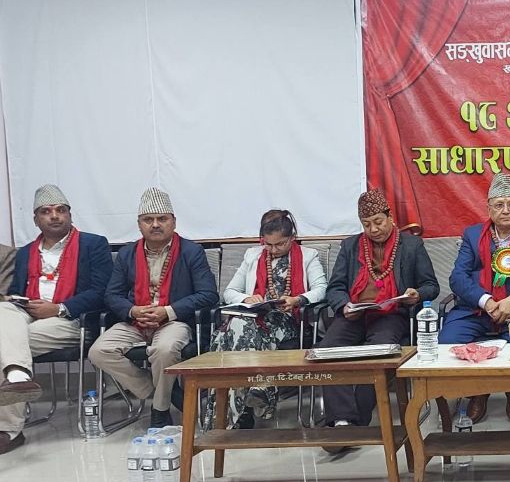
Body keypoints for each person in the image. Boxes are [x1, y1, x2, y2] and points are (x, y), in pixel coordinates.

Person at [89, 188, 219, 428]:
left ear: (173, 222)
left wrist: (167, 311)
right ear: (139, 224)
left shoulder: (191, 252)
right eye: (148, 219)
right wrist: (133, 311)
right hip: (135, 321)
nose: (156, 225)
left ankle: (160, 410)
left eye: (162, 219)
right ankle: (160, 390)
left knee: (165, 349)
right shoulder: (127, 253)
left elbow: (208, 294)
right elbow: (112, 295)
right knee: (98, 352)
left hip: (174, 321)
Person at [0, 185, 112, 454]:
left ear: (70, 215)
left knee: (7, 343)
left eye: (61, 210)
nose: (54, 216)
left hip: (72, 321)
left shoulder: (93, 244)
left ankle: (9, 428)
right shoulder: (26, 252)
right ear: (36, 219)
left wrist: (59, 308)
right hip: (28, 315)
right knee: (3, 310)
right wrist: (20, 301)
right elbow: (15, 290)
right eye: (46, 211)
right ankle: (17, 375)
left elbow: (102, 292)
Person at [319, 189, 438, 441]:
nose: (373, 229)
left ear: (390, 217)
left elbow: (431, 286)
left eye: (378, 222)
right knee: (328, 349)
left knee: (379, 352)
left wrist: (416, 294)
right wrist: (344, 306)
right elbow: (335, 288)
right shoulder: (350, 246)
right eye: (366, 224)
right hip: (354, 313)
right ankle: (341, 421)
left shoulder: (411, 245)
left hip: (391, 314)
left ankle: (356, 422)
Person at [441, 173, 510, 424]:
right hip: (475, 309)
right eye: (499, 205)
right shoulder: (472, 235)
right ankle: (477, 393)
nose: (506, 210)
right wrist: (486, 301)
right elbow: (458, 278)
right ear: (488, 208)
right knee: (447, 341)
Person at [210, 210, 327, 428]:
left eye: (280, 244)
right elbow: (229, 292)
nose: (273, 250)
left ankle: (237, 415)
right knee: (240, 325)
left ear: (292, 238)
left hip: (288, 320)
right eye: (268, 245)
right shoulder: (252, 256)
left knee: (237, 330)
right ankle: (259, 389)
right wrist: (247, 298)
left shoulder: (308, 256)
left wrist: (298, 299)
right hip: (255, 318)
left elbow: (321, 289)